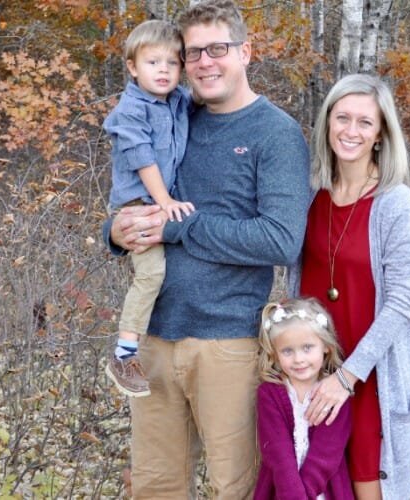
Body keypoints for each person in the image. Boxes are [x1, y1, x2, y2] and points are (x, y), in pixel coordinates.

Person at [103, 0, 311, 497]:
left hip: (227, 343)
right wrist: (115, 233)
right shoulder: (171, 114)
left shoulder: (275, 133)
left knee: (235, 485)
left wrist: (177, 227)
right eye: (192, 52)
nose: (203, 63)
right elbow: (134, 199)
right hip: (153, 339)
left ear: (246, 52)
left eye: (217, 49)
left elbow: (280, 239)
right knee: (156, 487)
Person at [289, 73, 410, 500]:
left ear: (381, 134)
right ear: (327, 122)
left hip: (368, 379)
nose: (351, 130)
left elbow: (404, 301)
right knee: (311, 486)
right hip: (311, 371)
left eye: (365, 122)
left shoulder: (394, 203)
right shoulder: (310, 196)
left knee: (369, 486)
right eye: (342, 117)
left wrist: (347, 378)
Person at [103, 19, 195, 398]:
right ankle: (124, 352)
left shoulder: (177, 101)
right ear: (132, 67)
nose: (163, 71)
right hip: (139, 203)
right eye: (153, 62)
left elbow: (205, 100)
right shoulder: (131, 109)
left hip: (158, 198)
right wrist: (165, 202)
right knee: (151, 274)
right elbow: (143, 159)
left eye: (172, 64)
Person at [254, 298, 354, 500]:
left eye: (307, 348)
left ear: (326, 347)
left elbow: (326, 456)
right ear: (274, 354)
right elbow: (278, 453)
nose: (299, 359)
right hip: (281, 491)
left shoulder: (335, 394)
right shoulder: (270, 394)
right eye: (288, 351)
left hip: (325, 490)